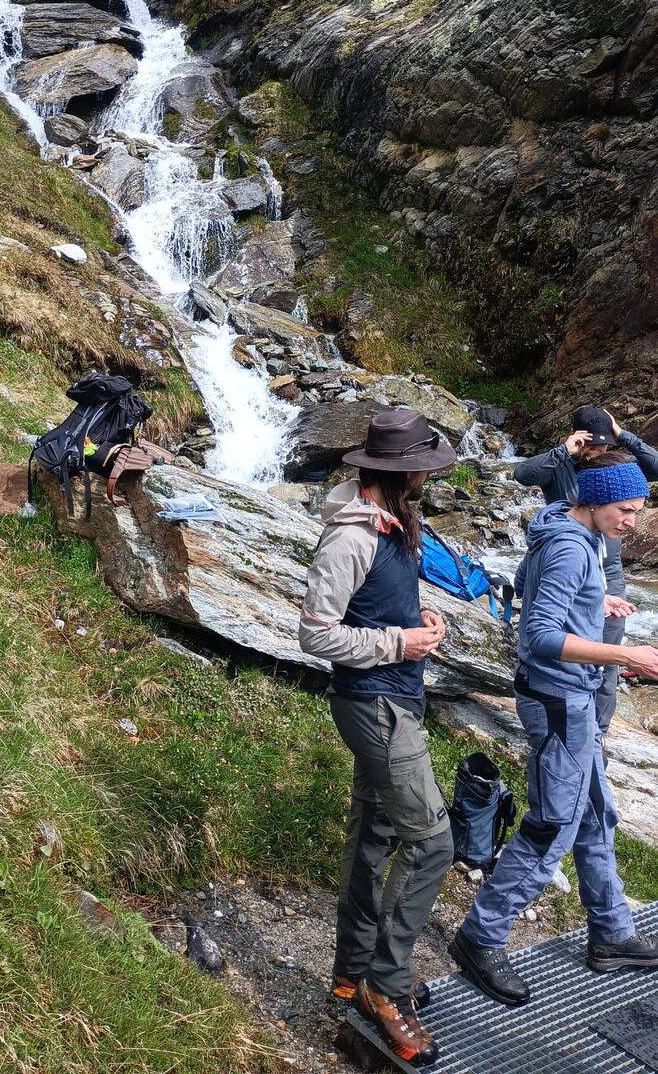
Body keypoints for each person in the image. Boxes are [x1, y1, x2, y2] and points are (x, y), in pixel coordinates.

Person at [450, 453, 658, 1006]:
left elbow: (526, 587)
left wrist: (597, 604)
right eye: (626, 511)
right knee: (553, 826)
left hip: (571, 697)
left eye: (638, 512)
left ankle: (612, 933)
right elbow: (540, 635)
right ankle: (480, 937)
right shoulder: (571, 546)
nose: (633, 522)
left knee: (596, 810)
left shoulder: (566, 530)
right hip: (560, 700)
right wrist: (625, 656)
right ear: (592, 501)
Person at [299, 408, 457, 1068]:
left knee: (376, 837)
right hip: (376, 708)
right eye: (423, 465)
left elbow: (374, 604)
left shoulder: (390, 520)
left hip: (393, 699)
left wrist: (413, 615)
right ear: (399, 470)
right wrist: (398, 641)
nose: (428, 475)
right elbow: (316, 634)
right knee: (433, 842)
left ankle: (350, 973)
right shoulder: (350, 537)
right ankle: (386, 987)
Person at [514, 405, 658, 732]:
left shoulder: (618, 471)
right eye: (593, 444)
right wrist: (564, 450)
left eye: (605, 444)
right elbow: (522, 474)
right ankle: (570, 727)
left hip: (610, 576)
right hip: (570, 568)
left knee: (607, 662)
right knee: (570, 651)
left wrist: (623, 435)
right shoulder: (560, 466)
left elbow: (656, 467)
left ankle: (597, 733)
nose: (598, 451)